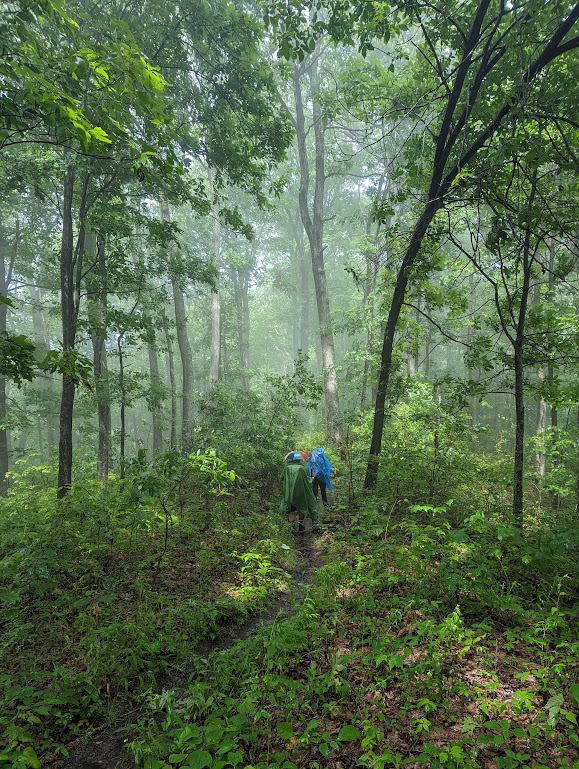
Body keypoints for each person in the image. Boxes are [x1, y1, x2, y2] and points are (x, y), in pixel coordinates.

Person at [280, 451, 318, 533]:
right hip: (300, 492)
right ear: (299, 460)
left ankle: (292, 528)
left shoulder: (287, 468)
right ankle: (301, 526)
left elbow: (282, 478)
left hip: (289, 493)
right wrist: (311, 480)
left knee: (291, 509)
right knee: (301, 507)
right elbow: (307, 481)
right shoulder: (302, 468)